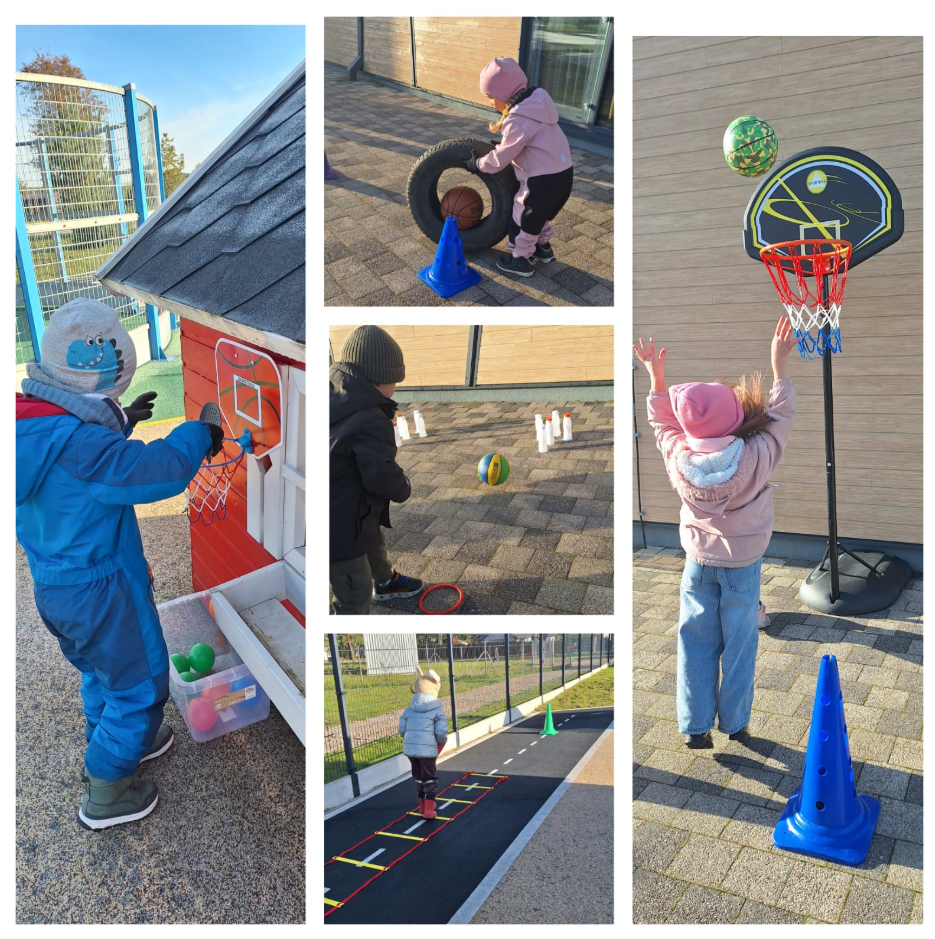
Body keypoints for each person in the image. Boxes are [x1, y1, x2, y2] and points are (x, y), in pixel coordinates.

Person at [15, 298, 222, 829]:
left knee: (101, 669)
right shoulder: (86, 450)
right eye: (113, 391)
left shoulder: (27, 431)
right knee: (142, 680)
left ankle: (115, 734)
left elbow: (74, 464)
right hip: (104, 593)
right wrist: (200, 434)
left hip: (58, 591)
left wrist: (121, 422)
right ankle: (106, 790)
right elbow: (159, 471)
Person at [633, 317, 797, 749]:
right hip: (742, 565)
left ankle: (695, 726)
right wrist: (778, 366)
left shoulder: (677, 455)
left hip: (698, 563)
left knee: (695, 640)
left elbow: (662, 427)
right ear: (737, 417)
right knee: (740, 645)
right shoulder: (757, 454)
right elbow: (780, 418)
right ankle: (736, 723)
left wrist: (657, 380)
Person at [330, 325, 423, 613]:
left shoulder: (336, 394)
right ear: (378, 379)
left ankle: (384, 581)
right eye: (394, 380)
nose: (396, 387)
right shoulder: (369, 418)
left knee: (371, 538)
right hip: (339, 532)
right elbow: (381, 474)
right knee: (354, 593)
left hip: (352, 512)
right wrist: (403, 485)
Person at [466, 56, 574, 278]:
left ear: (504, 93)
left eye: (490, 97)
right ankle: (543, 248)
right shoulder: (537, 104)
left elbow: (500, 159)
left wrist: (477, 164)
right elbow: (527, 142)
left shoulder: (518, 119)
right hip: (564, 176)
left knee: (521, 217)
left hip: (542, 181)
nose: (489, 102)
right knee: (540, 215)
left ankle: (521, 260)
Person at [399, 667, 448, 819]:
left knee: (419, 776)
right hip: (428, 750)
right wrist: (438, 744)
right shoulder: (437, 711)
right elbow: (441, 733)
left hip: (410, 749)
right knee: (430, 778)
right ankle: (428, 810)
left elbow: (401, 730)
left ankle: (421, 806)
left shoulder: (409, 710)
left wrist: (410, 740)